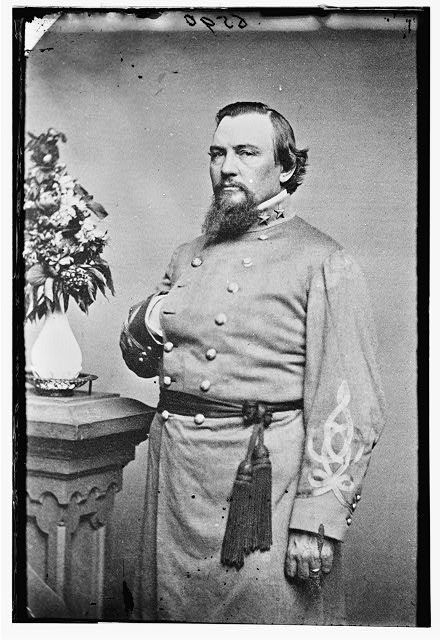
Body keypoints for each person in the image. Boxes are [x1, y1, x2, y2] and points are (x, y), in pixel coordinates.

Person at [120, 102, 385, 624]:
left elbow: (349, 404)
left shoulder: (323, 260)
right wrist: (149, 316)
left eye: (246, 152)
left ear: (285, 167)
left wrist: (317, 521)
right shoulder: (187, 254)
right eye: (217, 153)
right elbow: (141, 360)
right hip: (177, 484)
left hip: (264, 492)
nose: (227, 167)